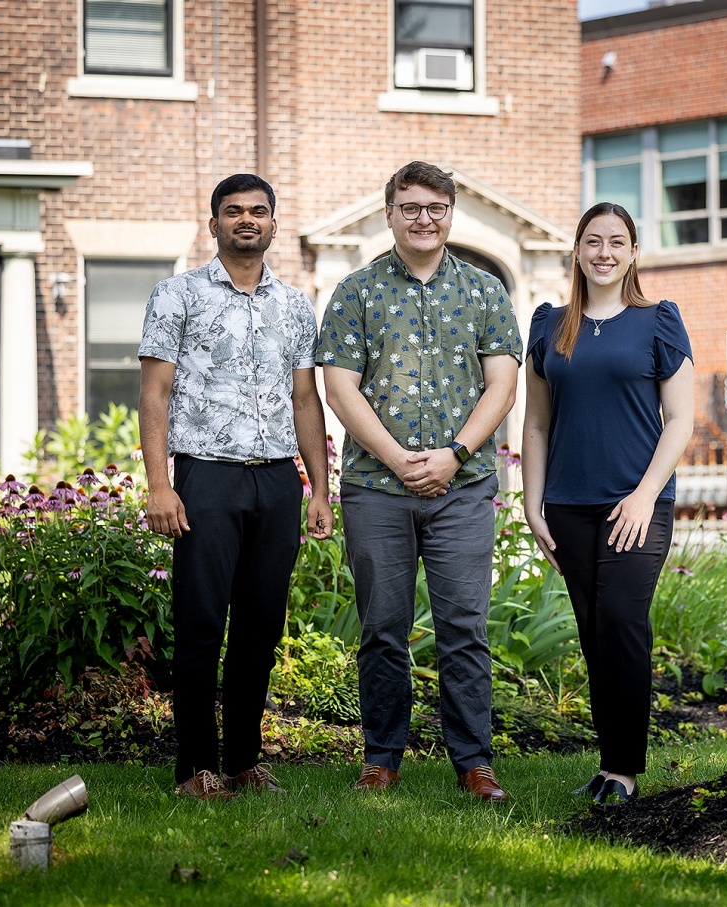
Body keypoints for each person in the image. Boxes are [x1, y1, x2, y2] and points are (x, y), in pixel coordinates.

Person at [316, 161, 521, 801]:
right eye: (410, 207)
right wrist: (400, 459)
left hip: (463, 487)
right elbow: (340, 388)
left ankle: (474, 764)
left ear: (450, 213)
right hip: (376, 489)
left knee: (465, 629)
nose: (423, 218)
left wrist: (455, 454)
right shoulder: (356, 291)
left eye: (435, 207)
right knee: (383, 630)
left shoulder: (486, 290)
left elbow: (503, 384)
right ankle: (381, 759)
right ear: (391, 214)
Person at [138, 173, 335, 801]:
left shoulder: (295, 305)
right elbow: (155, 394)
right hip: (208, 477)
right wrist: (160, 486)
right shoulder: (178, 295)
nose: (246, 219)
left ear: (274, 223)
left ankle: (245, 760)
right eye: (233, 211)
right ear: (214, 224)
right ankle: (196, 767)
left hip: (276, 481)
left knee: (260, 629)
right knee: (200, 625)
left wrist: (319, 489)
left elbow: (305, 400)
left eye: (257, 211)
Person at [521, 201, 694, 804]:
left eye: (616, 242)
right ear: (577, 250)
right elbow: (536, 424)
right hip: (568, 505)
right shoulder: (549, 326)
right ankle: (608, 763)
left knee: (622, 622)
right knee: (595, 630)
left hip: (636, 505)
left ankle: (623, 770)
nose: (604, 252)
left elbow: (681, 420)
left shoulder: (658, 322)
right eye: (593, 241)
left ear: (634, 251)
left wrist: (645, 496)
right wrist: (532, 505)